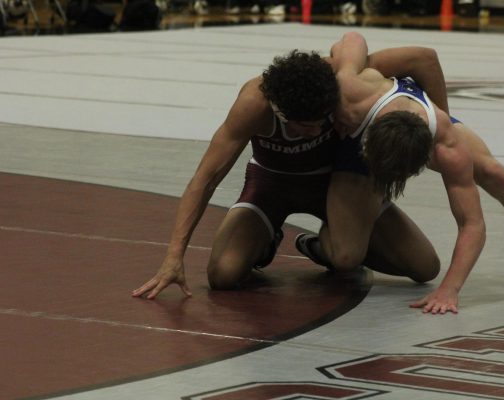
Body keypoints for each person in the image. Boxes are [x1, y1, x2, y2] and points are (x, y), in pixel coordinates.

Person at [295, 32, 504, 314]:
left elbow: (472, 224)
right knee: (345, 257)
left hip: (426, 129)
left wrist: (449, 289)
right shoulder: (351, 90)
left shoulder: (446, 144)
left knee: (494, 173)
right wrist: (337, 69)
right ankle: (332, 229)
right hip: (359, 143)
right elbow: (352, 38)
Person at [132, 45, 449, 299]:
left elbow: (424, 59)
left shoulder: (337, 76)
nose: (313, 132)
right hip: (271, 184)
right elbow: (205, 179)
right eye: (303, 125)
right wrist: (175, 256)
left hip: (333, 183)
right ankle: (267, 240)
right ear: (279, 109)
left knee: (424, 267)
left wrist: (444, 129)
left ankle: (322, 246)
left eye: (320, 122)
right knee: (222, 275)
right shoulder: (254, 104)